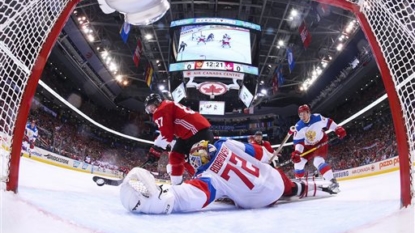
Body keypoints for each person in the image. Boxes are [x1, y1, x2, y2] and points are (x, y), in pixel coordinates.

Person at [119, 139, 334, 214]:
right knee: (282, 182)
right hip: (275, 182)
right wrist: (267, 158)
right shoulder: (225, 144)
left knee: (228, 195)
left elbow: (187, 198)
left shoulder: (207, 176)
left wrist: (159, 200)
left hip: (256, 202)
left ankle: (306, 188)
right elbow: (261, 153)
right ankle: (312, 188)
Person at [144, 93, 214, 185]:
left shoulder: (160, 110)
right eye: (149, 109)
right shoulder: (167, 105)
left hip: (196, 133)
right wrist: (168, 145)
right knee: (175, 156)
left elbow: (166, 135)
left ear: (157, 102)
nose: (152, 110)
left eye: (152, 107)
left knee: (195, 163)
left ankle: (202, 185)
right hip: (191, 133)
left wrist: (155, 151)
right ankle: (176, 186)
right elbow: (170, 134)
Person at [291, 104, 346, 193]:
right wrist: (297, 152)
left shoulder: (317, 118)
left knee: (318, 162)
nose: (302, 116)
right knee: (298, 163)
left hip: (320, 142)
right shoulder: (298, 127)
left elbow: (329, 122)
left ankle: (333, 182)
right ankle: (299, 183)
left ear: (309, 112)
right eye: (300, 114)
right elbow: (299, 142)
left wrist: (337, 128)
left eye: (304, 113)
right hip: (307, 146)